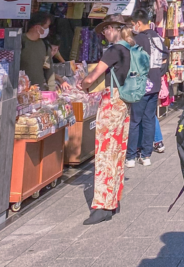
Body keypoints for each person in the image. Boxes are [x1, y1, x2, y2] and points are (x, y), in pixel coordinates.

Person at [79, 15, 133, 225]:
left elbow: (93, 77)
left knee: (104, 152)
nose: (104, 34)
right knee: (118, 151)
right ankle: (114, 199)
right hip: (124, 102)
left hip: (111, 102)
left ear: (113, 28)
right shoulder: (129, 48)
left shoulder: (113, 50)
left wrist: (83, 84)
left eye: (105, 30)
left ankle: (102, 205)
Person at [125, 5, 167, 167]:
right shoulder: (157, 37)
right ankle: (146, 155)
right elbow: (165, 57)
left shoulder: (137, 40)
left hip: (140, 84)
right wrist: (158, 72)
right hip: (155, 83)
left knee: (135, 120)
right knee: (149, 119)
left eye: (132, 24)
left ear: (137, 23)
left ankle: (130, 157)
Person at [21, 12, 59, 88]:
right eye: (46, 27)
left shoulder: (44, 45)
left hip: (38, 92)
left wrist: (52, 90)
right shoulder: (20, 42)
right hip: (21, 91)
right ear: (37, 27)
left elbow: (48, 69)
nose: (47, 30)